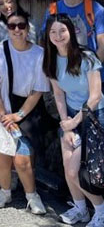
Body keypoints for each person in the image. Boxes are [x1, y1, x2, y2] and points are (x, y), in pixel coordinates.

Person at [0, 9, 49, 214]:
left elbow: (38, 89)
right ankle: (4, 192)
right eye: (12, 26)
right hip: (1, 112)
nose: (17, 30)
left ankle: (32, 195)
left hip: (26, 113)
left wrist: (18, 115)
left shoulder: (39, 53)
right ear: (7, 29)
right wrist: (4, 115)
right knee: (3, 155)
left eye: (21, 25)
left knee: (22, 159)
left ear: (27, 28)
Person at [43, 14, 104, 226]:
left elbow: (95, 96)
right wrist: (66, 125)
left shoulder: (87, 57)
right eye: (53, 32)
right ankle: (80, 209)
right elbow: (58, 95)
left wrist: (74, 122)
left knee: (91, 170)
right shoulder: (50, 59)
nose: (58, 36)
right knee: (70, 169)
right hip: (70, 116)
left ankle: (100, 211)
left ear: (71, 31)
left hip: (94, 117)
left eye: (62, 31)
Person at [41, 0, 104, 72]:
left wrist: (89, 71)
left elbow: (102, 47)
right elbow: (45, 42)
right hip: (63, 74)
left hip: (91, 73)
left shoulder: (96, 9)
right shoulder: (52, 10)